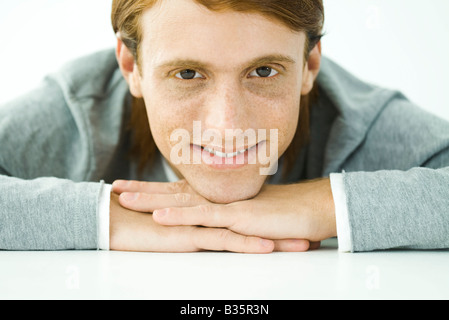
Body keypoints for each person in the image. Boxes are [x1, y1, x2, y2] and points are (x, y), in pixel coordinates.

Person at [0, 0, 448, 253]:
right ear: (130, 65)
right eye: (188, 75)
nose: (227, 125)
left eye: (264, 72)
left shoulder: (364, 122)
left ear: (310, 64)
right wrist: (104, 220)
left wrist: (326, 206)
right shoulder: (77, 112)